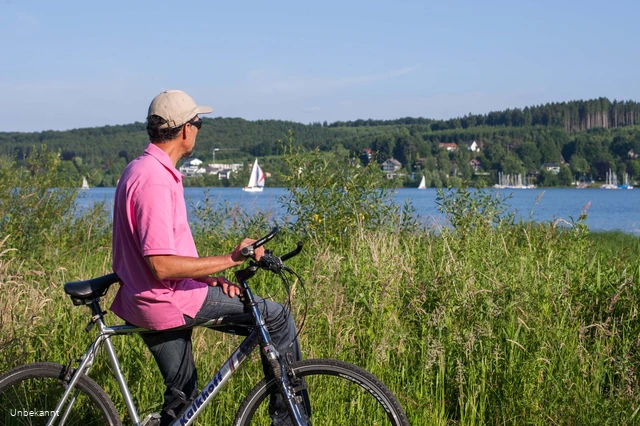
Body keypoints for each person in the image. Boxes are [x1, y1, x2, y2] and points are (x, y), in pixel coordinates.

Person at [111, 90, 304, 426]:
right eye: (198, 123)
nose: (198, 130)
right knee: (276, 319)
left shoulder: (137, 169)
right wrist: (232, 258)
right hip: (168, 301)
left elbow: (159, 259)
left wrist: (204, 276)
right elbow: (161, 265)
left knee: (182, 400)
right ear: (186, 129)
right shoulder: (155, 181)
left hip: (144, 299)